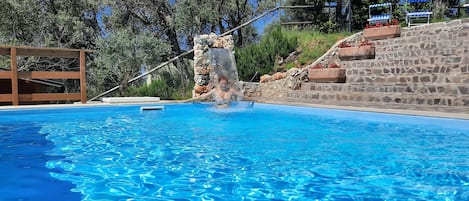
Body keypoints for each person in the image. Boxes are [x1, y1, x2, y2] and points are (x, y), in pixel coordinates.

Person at [184, 76, 256, 108]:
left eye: (225, 83)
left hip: (228, 113)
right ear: (219, 83)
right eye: (222, 83)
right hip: (217, 113)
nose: (224, 85)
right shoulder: (215, 91)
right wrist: (187, 101)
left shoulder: (230, 91)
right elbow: (202, 97)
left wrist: (254, 100)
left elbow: (242, 96)